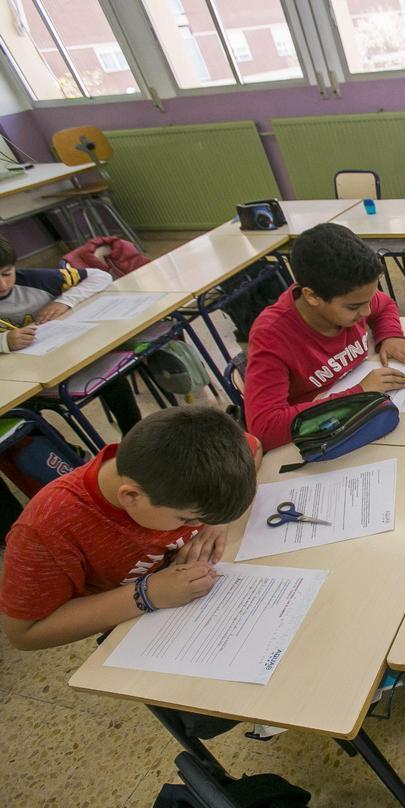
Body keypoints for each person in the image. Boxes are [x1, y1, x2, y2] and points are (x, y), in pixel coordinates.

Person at [0, 406, 261, 651]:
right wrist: (146, 594)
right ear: (131, 497)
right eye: (186, 519)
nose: (196, 525)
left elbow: (255, 446)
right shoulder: (46, 528)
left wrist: (217, 520)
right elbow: (24, 633)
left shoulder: (189, 461)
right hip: (144, 629)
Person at [243, 223, 405, 451]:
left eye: (368, 300)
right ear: (312, 297)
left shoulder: (348, 294)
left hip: (359, 418)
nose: (367, 312)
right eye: (354, 307)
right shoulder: (272, 336)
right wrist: (359, 393)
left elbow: (385, 305)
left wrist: (389, 335)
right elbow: (265, 428)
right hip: (318, 437)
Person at [0, 235, 143, 434]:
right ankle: (70, 453)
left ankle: (135, 435)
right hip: (20, 380)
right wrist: (4, 341)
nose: (3, 284)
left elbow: (99, 277)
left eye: (6, 274)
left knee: (110, 376)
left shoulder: (32, 280)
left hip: (66, 360)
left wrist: (64, 301)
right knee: (21, 418)